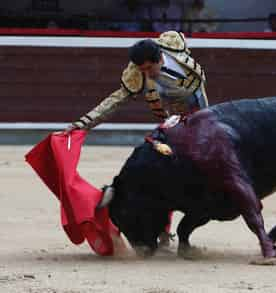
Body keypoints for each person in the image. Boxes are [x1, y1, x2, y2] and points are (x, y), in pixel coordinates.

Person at [64, 30, 208, 246]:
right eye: (142, 70)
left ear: (160, 58)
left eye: (150, 68)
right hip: (172, 121)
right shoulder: (137, 73)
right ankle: (162, 232)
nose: (146, 73)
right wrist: (83, 123)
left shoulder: (174, 44)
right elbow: (114, 101)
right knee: (163, 170)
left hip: (202, 114)